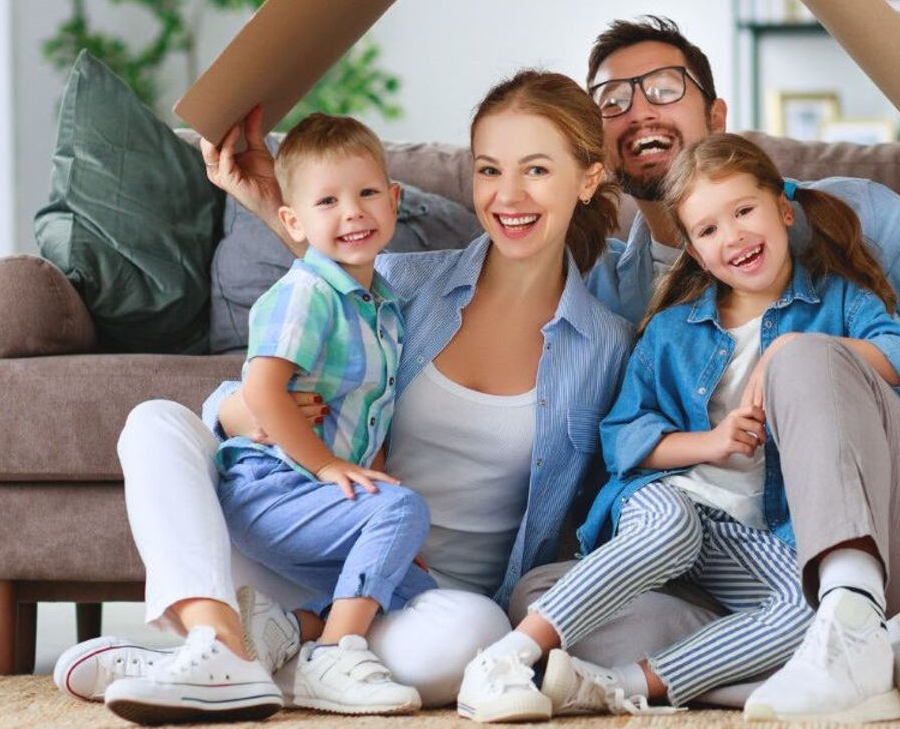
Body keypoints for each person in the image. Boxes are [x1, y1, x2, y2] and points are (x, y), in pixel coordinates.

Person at [507, 15, 900, 722]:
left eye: (663, 88)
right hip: (740, 573)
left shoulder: (845, 223)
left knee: (806, 357)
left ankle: (848, 621)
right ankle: (796, 667)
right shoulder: (608, 289)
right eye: (611, 101)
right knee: (544, 599)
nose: (637, 112)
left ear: (715, 113)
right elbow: (604, 440)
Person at [59, 72, 633, 722]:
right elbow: (283, 362)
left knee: (474, 638)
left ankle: (239, 654)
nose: (508, 195)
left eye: (535, 170)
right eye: (489, 170)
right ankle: (220, 639)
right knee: (157, 422)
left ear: (588, 178)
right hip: (302, 543)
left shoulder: (608, 346)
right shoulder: (402, 284)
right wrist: (236, 411)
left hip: (419, 602)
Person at [456, 133, 900, 722]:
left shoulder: (838, 302)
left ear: (784, 212)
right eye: (708, 230)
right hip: (672, 507)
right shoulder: (673, 331)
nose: (732, 237)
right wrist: (710, 443)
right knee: (644, 543)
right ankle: (507, 657)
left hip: (755, 535)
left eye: (744, 211)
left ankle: (622, 685)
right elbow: (623, 437)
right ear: (693, 251)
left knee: (812, 608)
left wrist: (798, 346)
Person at [178, 113, 425, 717]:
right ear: (293, 220)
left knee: (419, 588)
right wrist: (325, 465)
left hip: (318, 497)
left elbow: (375, 419)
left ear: (393, 201)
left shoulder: (386, 307)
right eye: (328, 200)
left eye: (367, 193)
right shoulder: (307, 293)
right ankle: (336, 654)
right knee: (405, 508)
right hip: (270, 487)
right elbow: (261, 390)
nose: (353, 212)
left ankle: (287, 628)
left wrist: (374, 499)